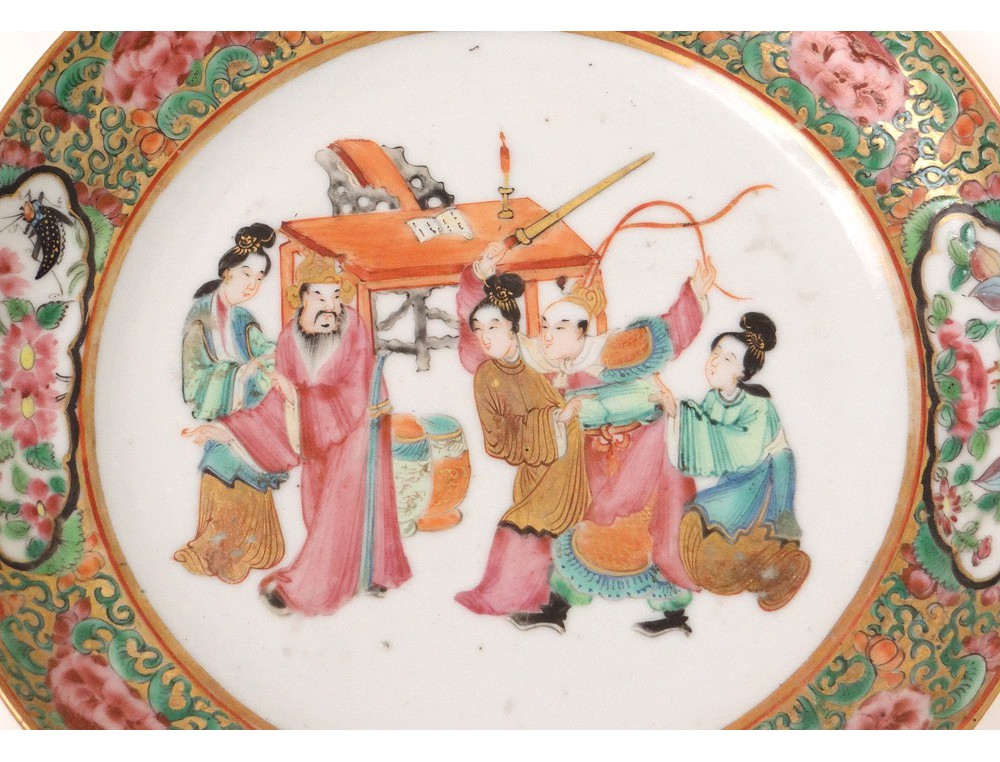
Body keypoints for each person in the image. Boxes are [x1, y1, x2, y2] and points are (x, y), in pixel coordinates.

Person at [457, 242, 715, 634]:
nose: (547, 336)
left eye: (560, 328)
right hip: (587, 462)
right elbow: (487, 337)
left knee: (648, 535)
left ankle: (673, 615)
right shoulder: (540, 360)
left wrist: (694, 294)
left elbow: (669, 333)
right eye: (545, 327)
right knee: (578, 533)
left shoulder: (614, 351)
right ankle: (557, 609)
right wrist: (479, 278)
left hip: (640, 459)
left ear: (582, 331)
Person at [185, 252, 411, 616]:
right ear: (302, 296)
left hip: (359, 428)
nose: (330, 305)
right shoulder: (289, 340)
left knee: (342, 506)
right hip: (311, 433)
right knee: (317, 507)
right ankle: (360, 574)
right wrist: (227, 429)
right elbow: (278, 400)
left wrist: (301, 401)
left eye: (335, 296)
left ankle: (311, 589)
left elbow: (355, 392)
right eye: (319, 296)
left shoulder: (353, 328)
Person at [454, 272, 591, 631]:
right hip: (532, 465)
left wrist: (562, 417)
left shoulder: (538, 357)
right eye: (479, 330)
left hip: (567, 461)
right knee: (532, 526)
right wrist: (553, 419)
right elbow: (497, 439)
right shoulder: (486, 377)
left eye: (494, 327)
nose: (485, 338)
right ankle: (542, 604)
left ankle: (530, 602)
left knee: (523, 525)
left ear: (513, 327)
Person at [663, 312, 809, 611]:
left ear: (743, 372)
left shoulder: (758, 406)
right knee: (694, 516)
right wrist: (678, 416)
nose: (714, 362)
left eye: (727, 359)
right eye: (716, 353)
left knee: (707, 518)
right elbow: (704, 433)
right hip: (736, 480)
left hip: (764, 479)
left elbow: (743, 450)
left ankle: (762, 573)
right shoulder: (713, 399)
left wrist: (681, 415)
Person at [174, 223, 287, 584]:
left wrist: (271, 364)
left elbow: (266, 352)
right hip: (223, 410)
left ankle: (248, 550)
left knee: (247, 458)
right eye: (247, 273)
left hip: (248, 418)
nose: (253, 284)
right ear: (227, 271)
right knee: (222, 460)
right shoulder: (200, 317)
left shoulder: (242, 318)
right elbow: (194, 379)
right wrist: (241, 374)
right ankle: (215, 552)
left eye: (260, 278)